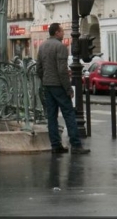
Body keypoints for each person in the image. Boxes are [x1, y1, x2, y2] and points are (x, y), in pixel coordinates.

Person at [36, 23, 89, 155]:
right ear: (57, 32)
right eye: (62, 31)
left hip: (48, 85)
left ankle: (55, 145)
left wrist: (45, 79)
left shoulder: (42, 47)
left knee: (52, 116)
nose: (63, 33)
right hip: (59, 85)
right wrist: (68, 89)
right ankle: (76, 144)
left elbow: (39, 69)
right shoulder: (61, 47)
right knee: (69, 114)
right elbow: (62, 71)